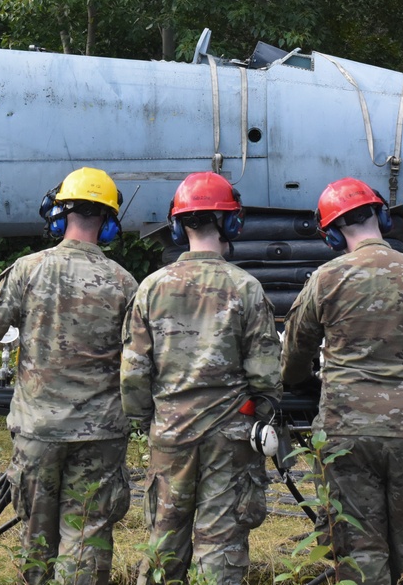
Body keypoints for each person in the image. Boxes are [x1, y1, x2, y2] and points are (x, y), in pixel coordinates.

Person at [281, 177, 403, 585]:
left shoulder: (326, 279)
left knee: (357, 548)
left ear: (332, 234)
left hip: (346, 431)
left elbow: (297, 351)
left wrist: (301, 382)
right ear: (382, 218)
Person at [0, 166, 137, 585]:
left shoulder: (28, 270)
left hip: (39, 430)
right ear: (109, 222)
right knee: (89, 538)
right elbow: (138, 357)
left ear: (58, 215)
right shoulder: (124, 282)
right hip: (101, 433)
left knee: (35, 540)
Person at [121, 171, 283, 585]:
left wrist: (147, 420)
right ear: (231, 223)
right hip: (231, 435)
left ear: (177, 225)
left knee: (164, 540)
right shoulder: (246, 288)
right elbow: (265, 372)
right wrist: (260, 410)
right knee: (223, 543)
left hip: (170, 431)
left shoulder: (152, 288)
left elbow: (134, 371)